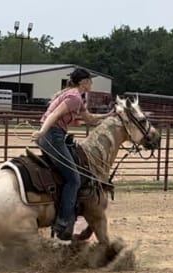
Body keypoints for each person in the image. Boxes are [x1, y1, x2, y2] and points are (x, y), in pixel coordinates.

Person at [31, 68, 112, 240]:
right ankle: (63, 222)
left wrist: (110, 115)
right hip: (53, 136)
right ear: (83, 83)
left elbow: (89, 119)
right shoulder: (74, 97)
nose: (92, 83)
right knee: (74, 179)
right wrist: (42, 131)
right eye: (90, 80)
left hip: (54, 135)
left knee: (70, 172)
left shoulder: (75, 97)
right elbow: (54, 115)